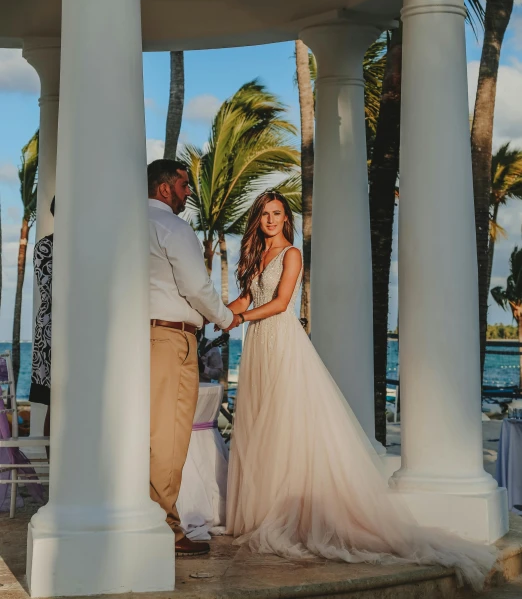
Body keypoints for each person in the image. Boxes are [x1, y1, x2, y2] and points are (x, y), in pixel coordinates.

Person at [225, 191, 496, 590]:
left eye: (277, 213)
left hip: (281, 342)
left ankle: (289, 513)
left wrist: (242, 317)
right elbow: (248, 296)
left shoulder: (292, 254)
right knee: (260, 424)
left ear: (286, 219)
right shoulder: (256, 256)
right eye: (264, 214)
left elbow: (281, 303)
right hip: (257, 346)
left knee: (285, 423)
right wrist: (218, 313)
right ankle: (261, 508)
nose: (270, 219)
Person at [148, 159, 241, 557]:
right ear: (165, 189)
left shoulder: (123, 226)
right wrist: (225, 318)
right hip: (171, 339)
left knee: (144, 433)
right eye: (185, 186)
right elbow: (197, 287)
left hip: (137, 337)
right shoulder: (172, 227)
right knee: (168, 437)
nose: (189, 194)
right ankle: (163, 528)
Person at [29, 197, 54, 444]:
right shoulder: (46, 246)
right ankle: (54, 468)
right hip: (52, 329)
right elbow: (52, 289)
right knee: (53, 401)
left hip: (58, 326)